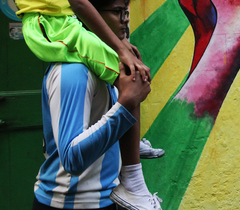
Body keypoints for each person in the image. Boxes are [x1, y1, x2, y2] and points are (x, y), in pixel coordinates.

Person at [15, 0, 155, 208]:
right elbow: (78, 3)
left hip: (100, 200)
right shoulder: (72, 73)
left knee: (128, 70)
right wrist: (122, 105)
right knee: (129, 71)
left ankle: (131, 162)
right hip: (67, 204)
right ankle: (134, 180)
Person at [33, 62, 154, 209]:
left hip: (109, 196)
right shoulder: (73, 70)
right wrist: (126, 104)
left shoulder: (105, 64)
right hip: (69, 203)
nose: (126, 38)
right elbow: (72, 159)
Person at [79, 0, 165, 160]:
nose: (124, 19)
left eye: (125, 12)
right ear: (90, 13)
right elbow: (73, 153)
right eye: (117, 12)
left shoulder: (113, 50)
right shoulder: (76, 70)